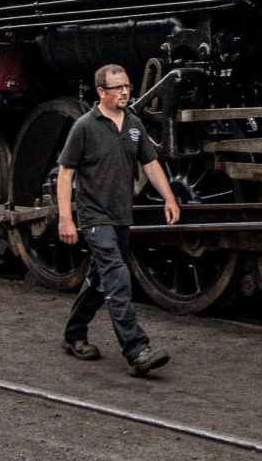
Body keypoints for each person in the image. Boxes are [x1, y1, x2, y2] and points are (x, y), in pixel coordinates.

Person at [57, 63, 181, 375]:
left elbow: (150, 164)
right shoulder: (84, 126)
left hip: (121, 215)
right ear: (101, 92)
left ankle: (73, 335)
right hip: (94, 216)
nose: (125, 92)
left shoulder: (134, 124)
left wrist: (169, 197)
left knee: (100, 281)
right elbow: (65, 173)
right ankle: (137, 351)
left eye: (127, 86)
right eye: (117, 88)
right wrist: (65, 218)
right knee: (117, 277)